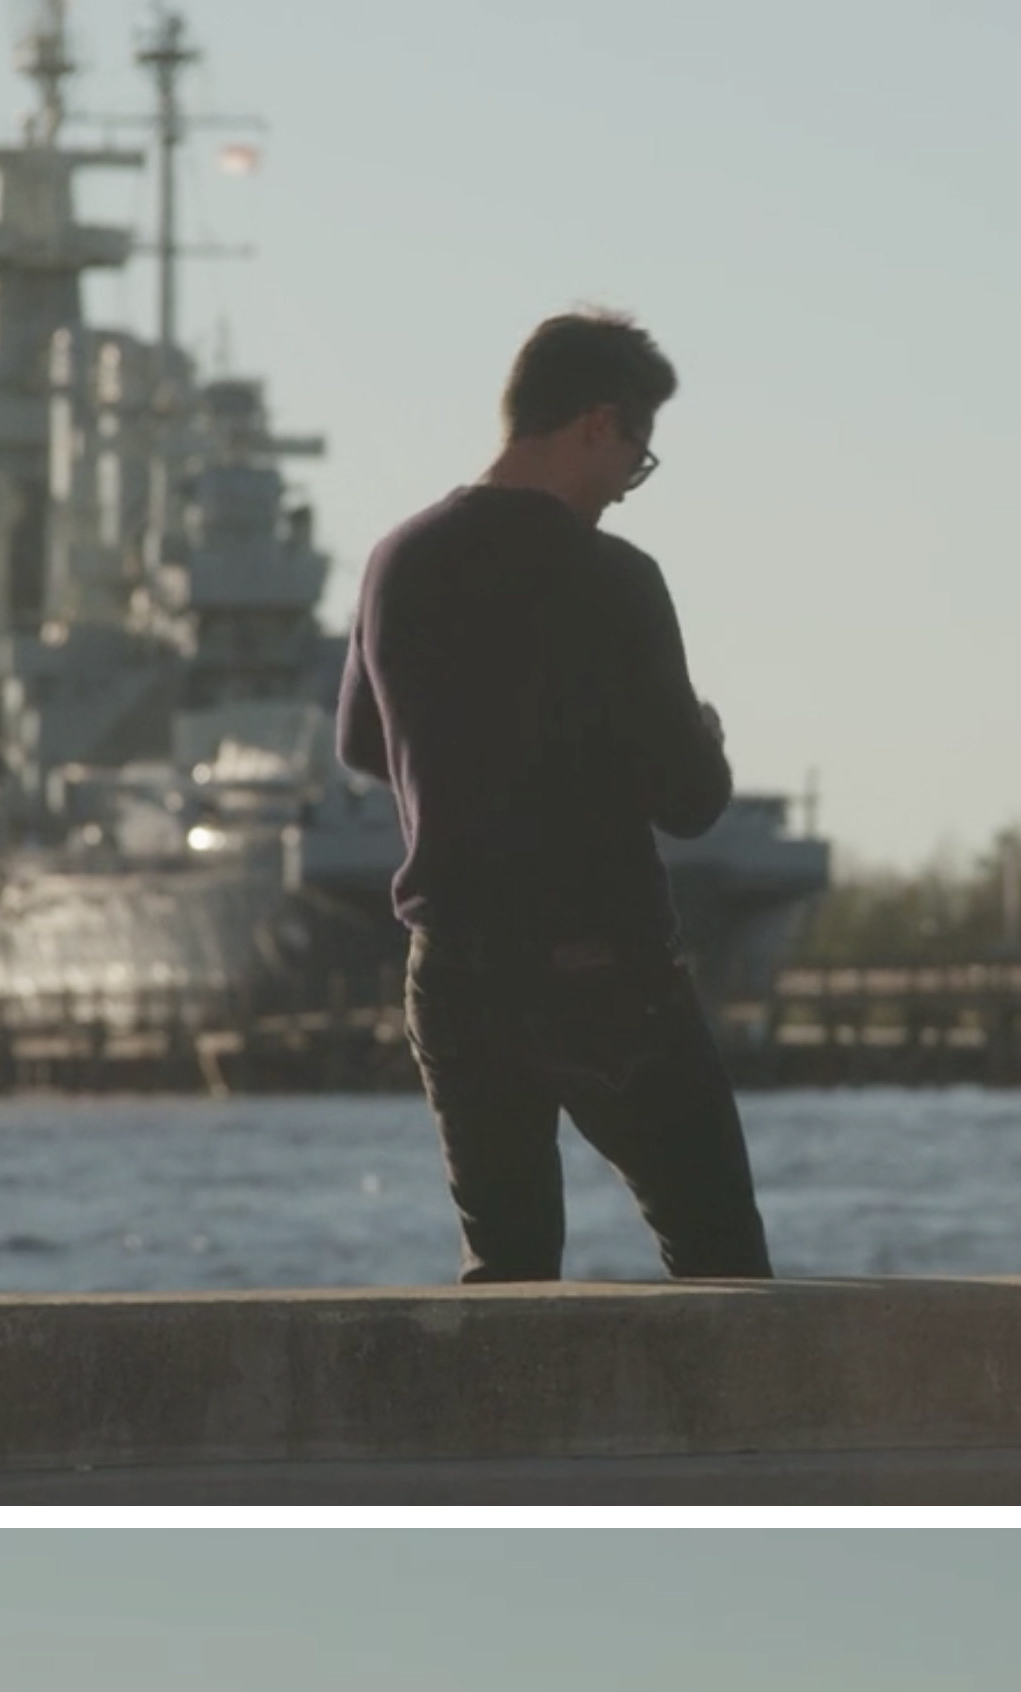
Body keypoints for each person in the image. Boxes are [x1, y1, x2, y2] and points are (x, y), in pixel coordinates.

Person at [336, 309, 772, 1285]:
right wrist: (698, 737)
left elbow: (363, 742)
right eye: (637, 454)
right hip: (600, 970)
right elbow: (690, 800)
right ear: (596, 422)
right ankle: (729, 1442)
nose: (629, 483)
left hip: (450, 972)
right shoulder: (611, 579)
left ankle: (498, 1440)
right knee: (721, 1264)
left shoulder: (395, 561)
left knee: (507, 1272)